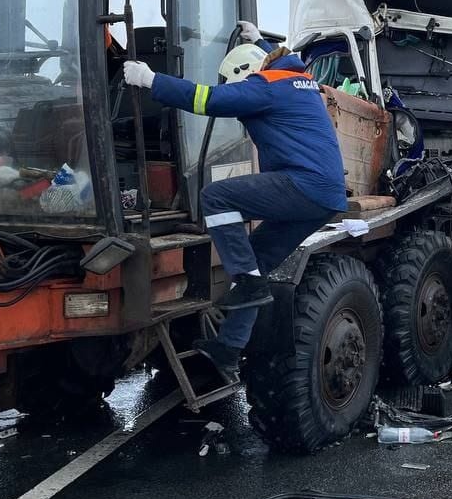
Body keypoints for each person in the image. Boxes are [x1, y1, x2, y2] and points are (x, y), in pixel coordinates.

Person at [123, 21, 348, 378]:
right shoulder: (294, 80)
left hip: (302, 185)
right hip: (325, 195)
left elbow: (206, 99)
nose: (237, 89)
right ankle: (228, 348)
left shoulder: (263, 86)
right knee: (255, 264)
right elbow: (275, 57)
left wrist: (152, 80)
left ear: (246, 73)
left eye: (237, 82)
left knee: (216, 197)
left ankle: (247, 280)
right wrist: (258, 39)